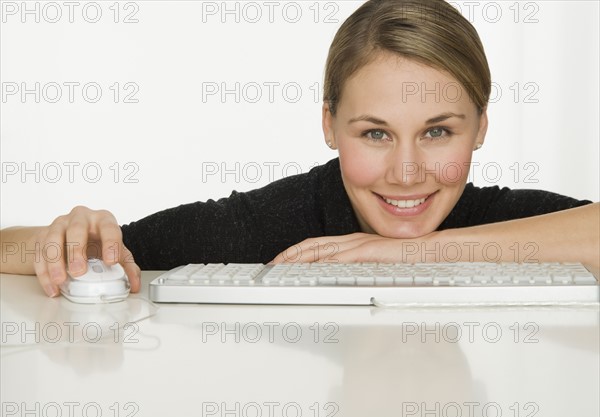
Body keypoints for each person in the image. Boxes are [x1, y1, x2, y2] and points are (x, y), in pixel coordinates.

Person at [1, 0, 598, 298]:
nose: (409, 171)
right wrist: (69, 238)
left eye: (439, 131)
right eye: (375, 133)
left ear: (482, 127)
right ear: (329, 126)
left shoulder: (508, 222)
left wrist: (404, 256)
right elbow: (80, 250)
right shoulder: (278, 223)